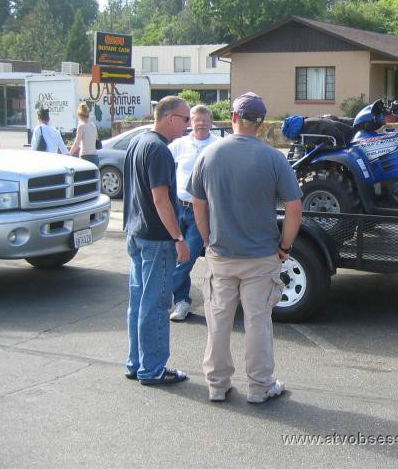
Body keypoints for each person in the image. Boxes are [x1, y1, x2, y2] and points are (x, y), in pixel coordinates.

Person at [188, 92, 302, 403]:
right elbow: (294, 208)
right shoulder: (274, 158)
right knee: (257, 322)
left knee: (219, 320)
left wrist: (207, 238)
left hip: (221, 254)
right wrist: (285, 247)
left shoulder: (209, 155)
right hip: (261, 256)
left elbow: (198, 204)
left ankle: (217, 384)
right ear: (261, 123)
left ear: (234, 118)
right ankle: (260, 386)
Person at [123, 95, 191, 386]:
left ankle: (136, 363)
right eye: (185, 119)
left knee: (139, 302)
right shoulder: (159, 150)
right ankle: (152, 369)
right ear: (169, 118)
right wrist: (178, 237)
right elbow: (161, 199)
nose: (188, 125)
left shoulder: (139, 142)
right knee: (156, 305)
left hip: (136, 233)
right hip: (156, 238)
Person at [167, 104, 218, 322]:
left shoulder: (218, 145)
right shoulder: (179, 144)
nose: (202, 124)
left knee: (187, 257)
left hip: (202, 212)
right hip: (178, 207)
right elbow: (165, 169)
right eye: (197, 120)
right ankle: (182, 302)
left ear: (211, 122)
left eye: (206, 121)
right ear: (191, 122)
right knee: (175, 255)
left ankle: (163, 287)